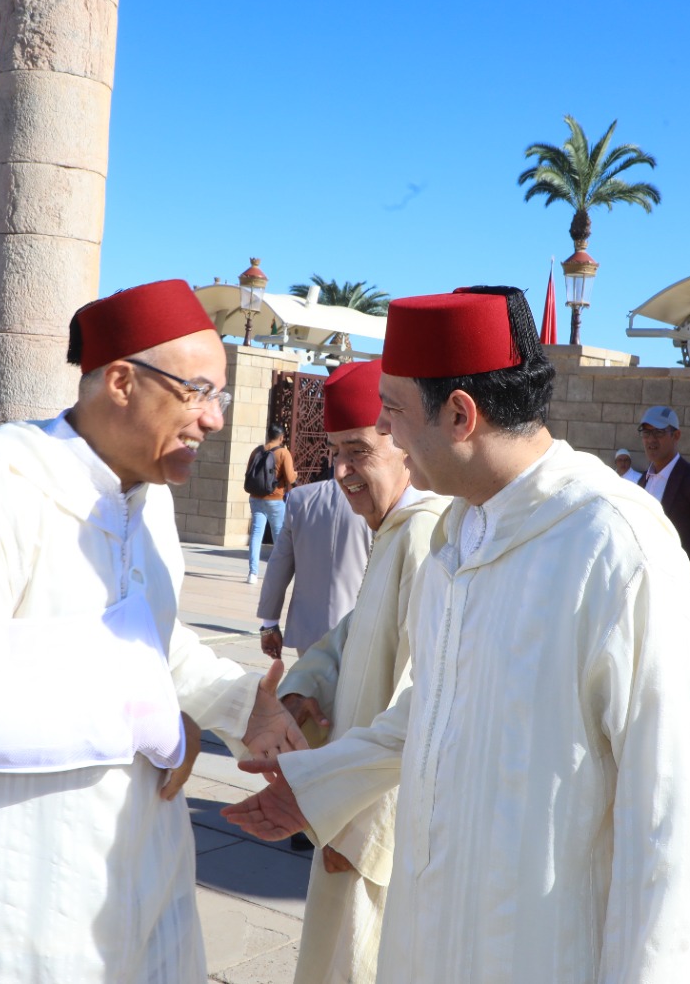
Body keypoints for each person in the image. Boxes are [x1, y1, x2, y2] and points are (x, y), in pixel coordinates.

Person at [222, 287, 690, 982]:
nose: (389, 431)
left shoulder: (615, 545)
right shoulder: (457, 536)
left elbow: (673, 806)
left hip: (537, 950)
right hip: (429, 934)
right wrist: (313, 785)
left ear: (460, 414)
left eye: (394, 410)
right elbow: (426, 713)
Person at [0, 279, 306, 984]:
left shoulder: (149, 500)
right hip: (11, 875)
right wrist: (157, 727)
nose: (215, 420)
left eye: (221, 396)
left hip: (137, 864)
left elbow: (151, 641)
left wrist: (243, 706)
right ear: (121, 381)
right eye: (197, 392)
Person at [275, 359, 448, 984]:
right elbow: (351, 636)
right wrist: (303, 690)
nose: (342, 471)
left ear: (401, 444)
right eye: (334, 453)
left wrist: (359, 832)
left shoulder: (425, 535)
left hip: (375, 831)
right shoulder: (393, 529)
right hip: (348, 806)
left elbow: (415, 700)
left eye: (359, 452)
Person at [256, 477, 371, 661]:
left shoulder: (300, 498)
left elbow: (278, 565)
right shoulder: (379, 501)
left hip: (309, 631)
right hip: (362, 630)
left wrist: (269, 624)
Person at [637, 404, 690, 596]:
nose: (651, 440)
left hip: (677, 591)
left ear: (676, 436)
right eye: (646, 432)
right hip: (643, 588)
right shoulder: (643, 482)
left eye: (659, 432)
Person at [246, 426, 296, 584]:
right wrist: (295, 475)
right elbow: (290, 478)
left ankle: (252, 573)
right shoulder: (283, 453)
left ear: (268, 435)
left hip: (256, 498)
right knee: (279, 537)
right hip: (275, 500)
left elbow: (249, 473)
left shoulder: (256, 451)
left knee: (256, 535)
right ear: (281, 438)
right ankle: (277, 572)